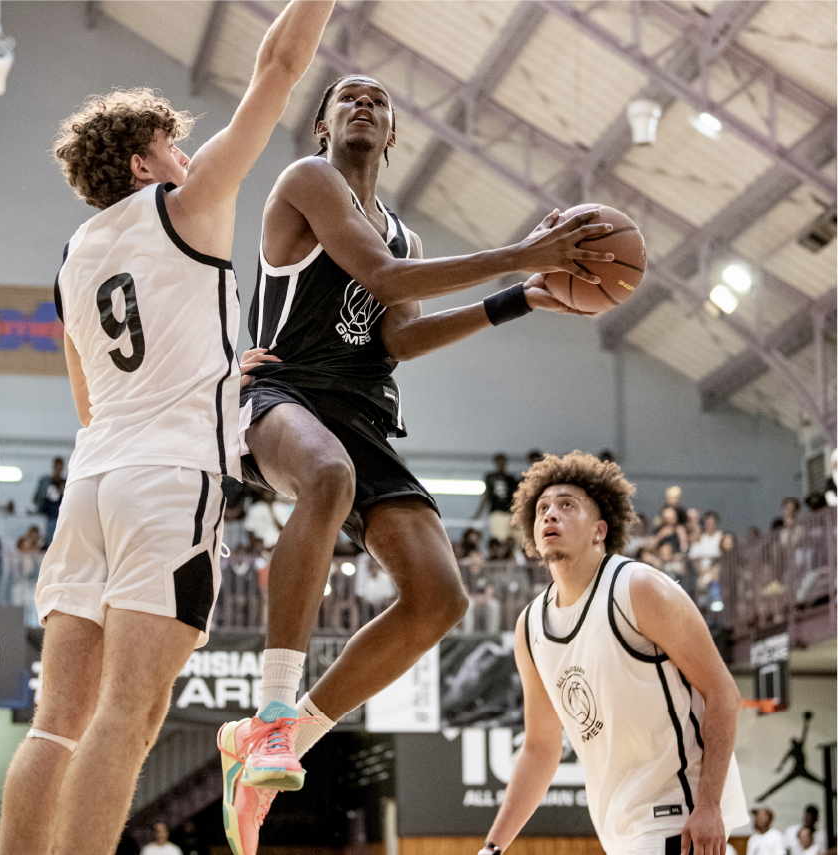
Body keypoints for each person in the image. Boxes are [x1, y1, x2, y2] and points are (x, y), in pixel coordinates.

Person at [218, 72, 617, 852]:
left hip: (361, 412)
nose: (364, 104)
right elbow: (383, 278)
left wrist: (521, 297)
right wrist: (523, 255)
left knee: (440, 596)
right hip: (282, 392)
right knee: (328, 477)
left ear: (394, 134)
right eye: (347, 97)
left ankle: (281, 743)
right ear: (323, 127)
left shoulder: (406, 236)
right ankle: (271, 708)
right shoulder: (309, 180)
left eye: (379, 100)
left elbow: (398, 336)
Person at [0, 5, 334, 855]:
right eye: (173, 146)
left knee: (55, 722)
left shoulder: (75, 255)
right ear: (143, 160)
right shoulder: (187, 203)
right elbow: (278, 66)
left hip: (91, 483)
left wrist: (211, 372)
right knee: (129, 713)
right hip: (166, 481)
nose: (188, 156)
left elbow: (88, 400)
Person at [478, 451, 747, 855]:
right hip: (621, 832)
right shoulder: (530, 625)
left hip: (678, 819)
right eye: (542, 508)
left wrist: (709, 804)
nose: (550, 514)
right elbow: (540, 747)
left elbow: (723, 692)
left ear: (599, 530)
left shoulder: (639, 589)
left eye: (566, 505)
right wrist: (493, 847)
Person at [476, 454, 520, 542]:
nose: (501, 464)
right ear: (495, 463)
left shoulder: (511, 478)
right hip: (497, 512)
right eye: (499, 462)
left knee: (514, 537)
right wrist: (478, 513)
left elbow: (516, 497)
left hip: (510, 512)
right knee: (500, 538)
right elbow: (486, 496)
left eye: (502, 462)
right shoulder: (490, 477)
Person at [33, 457, 66, 547]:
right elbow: (37, 497)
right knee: (49, 540)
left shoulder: (65, 483)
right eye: (56, 467)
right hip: (48, 515)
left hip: (61, 515)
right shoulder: (46, 482)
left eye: (60, 467)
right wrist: (40, 509)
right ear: (53, 467)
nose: (58, 469)